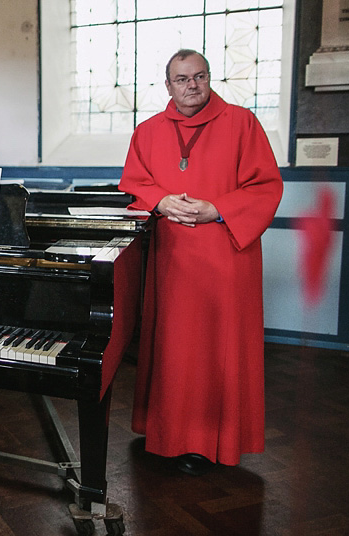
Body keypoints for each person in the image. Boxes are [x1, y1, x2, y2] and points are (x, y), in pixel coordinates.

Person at [118, 49, 282, 476]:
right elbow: (133, 182)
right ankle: (168, 433)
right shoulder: (149, 130)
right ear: (167, 85)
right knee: (174, 348)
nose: (192, 85)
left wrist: (219, 209)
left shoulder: (241, 122)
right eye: (181, 79)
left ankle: (214, 441)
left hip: (226, 257)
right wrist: (160, 200)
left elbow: (265, 185)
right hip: (172, 258)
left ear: (209, 79)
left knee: (216, 349)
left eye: (199, 76)